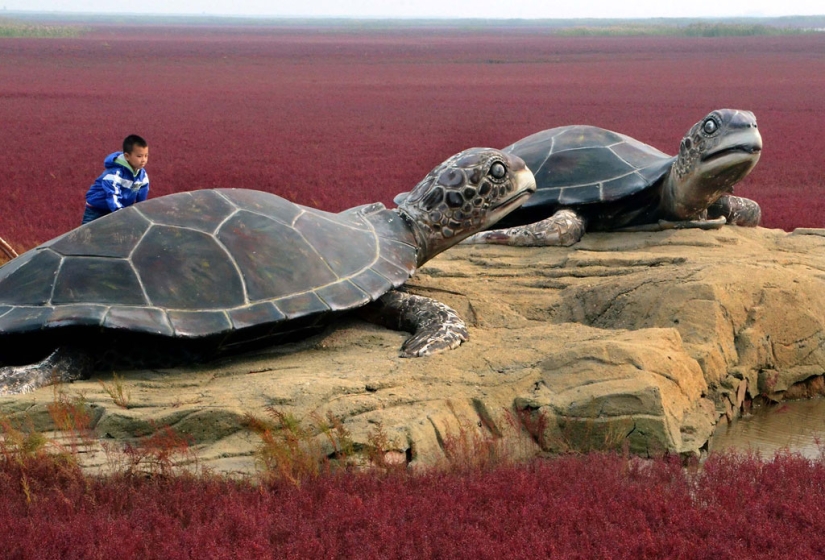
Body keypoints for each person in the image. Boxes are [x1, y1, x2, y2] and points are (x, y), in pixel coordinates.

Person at [82, 134, 150, 224]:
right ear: (127, 156)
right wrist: (122, 215)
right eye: (139, 156)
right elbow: (112, 196)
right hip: (97, 209)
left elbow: (142, 198)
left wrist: (140, 213)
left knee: (115, 235)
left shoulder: (142, 175)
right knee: (88, 235)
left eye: (146, 156)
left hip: (117, 208)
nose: (143, 160)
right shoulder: (115, 174)